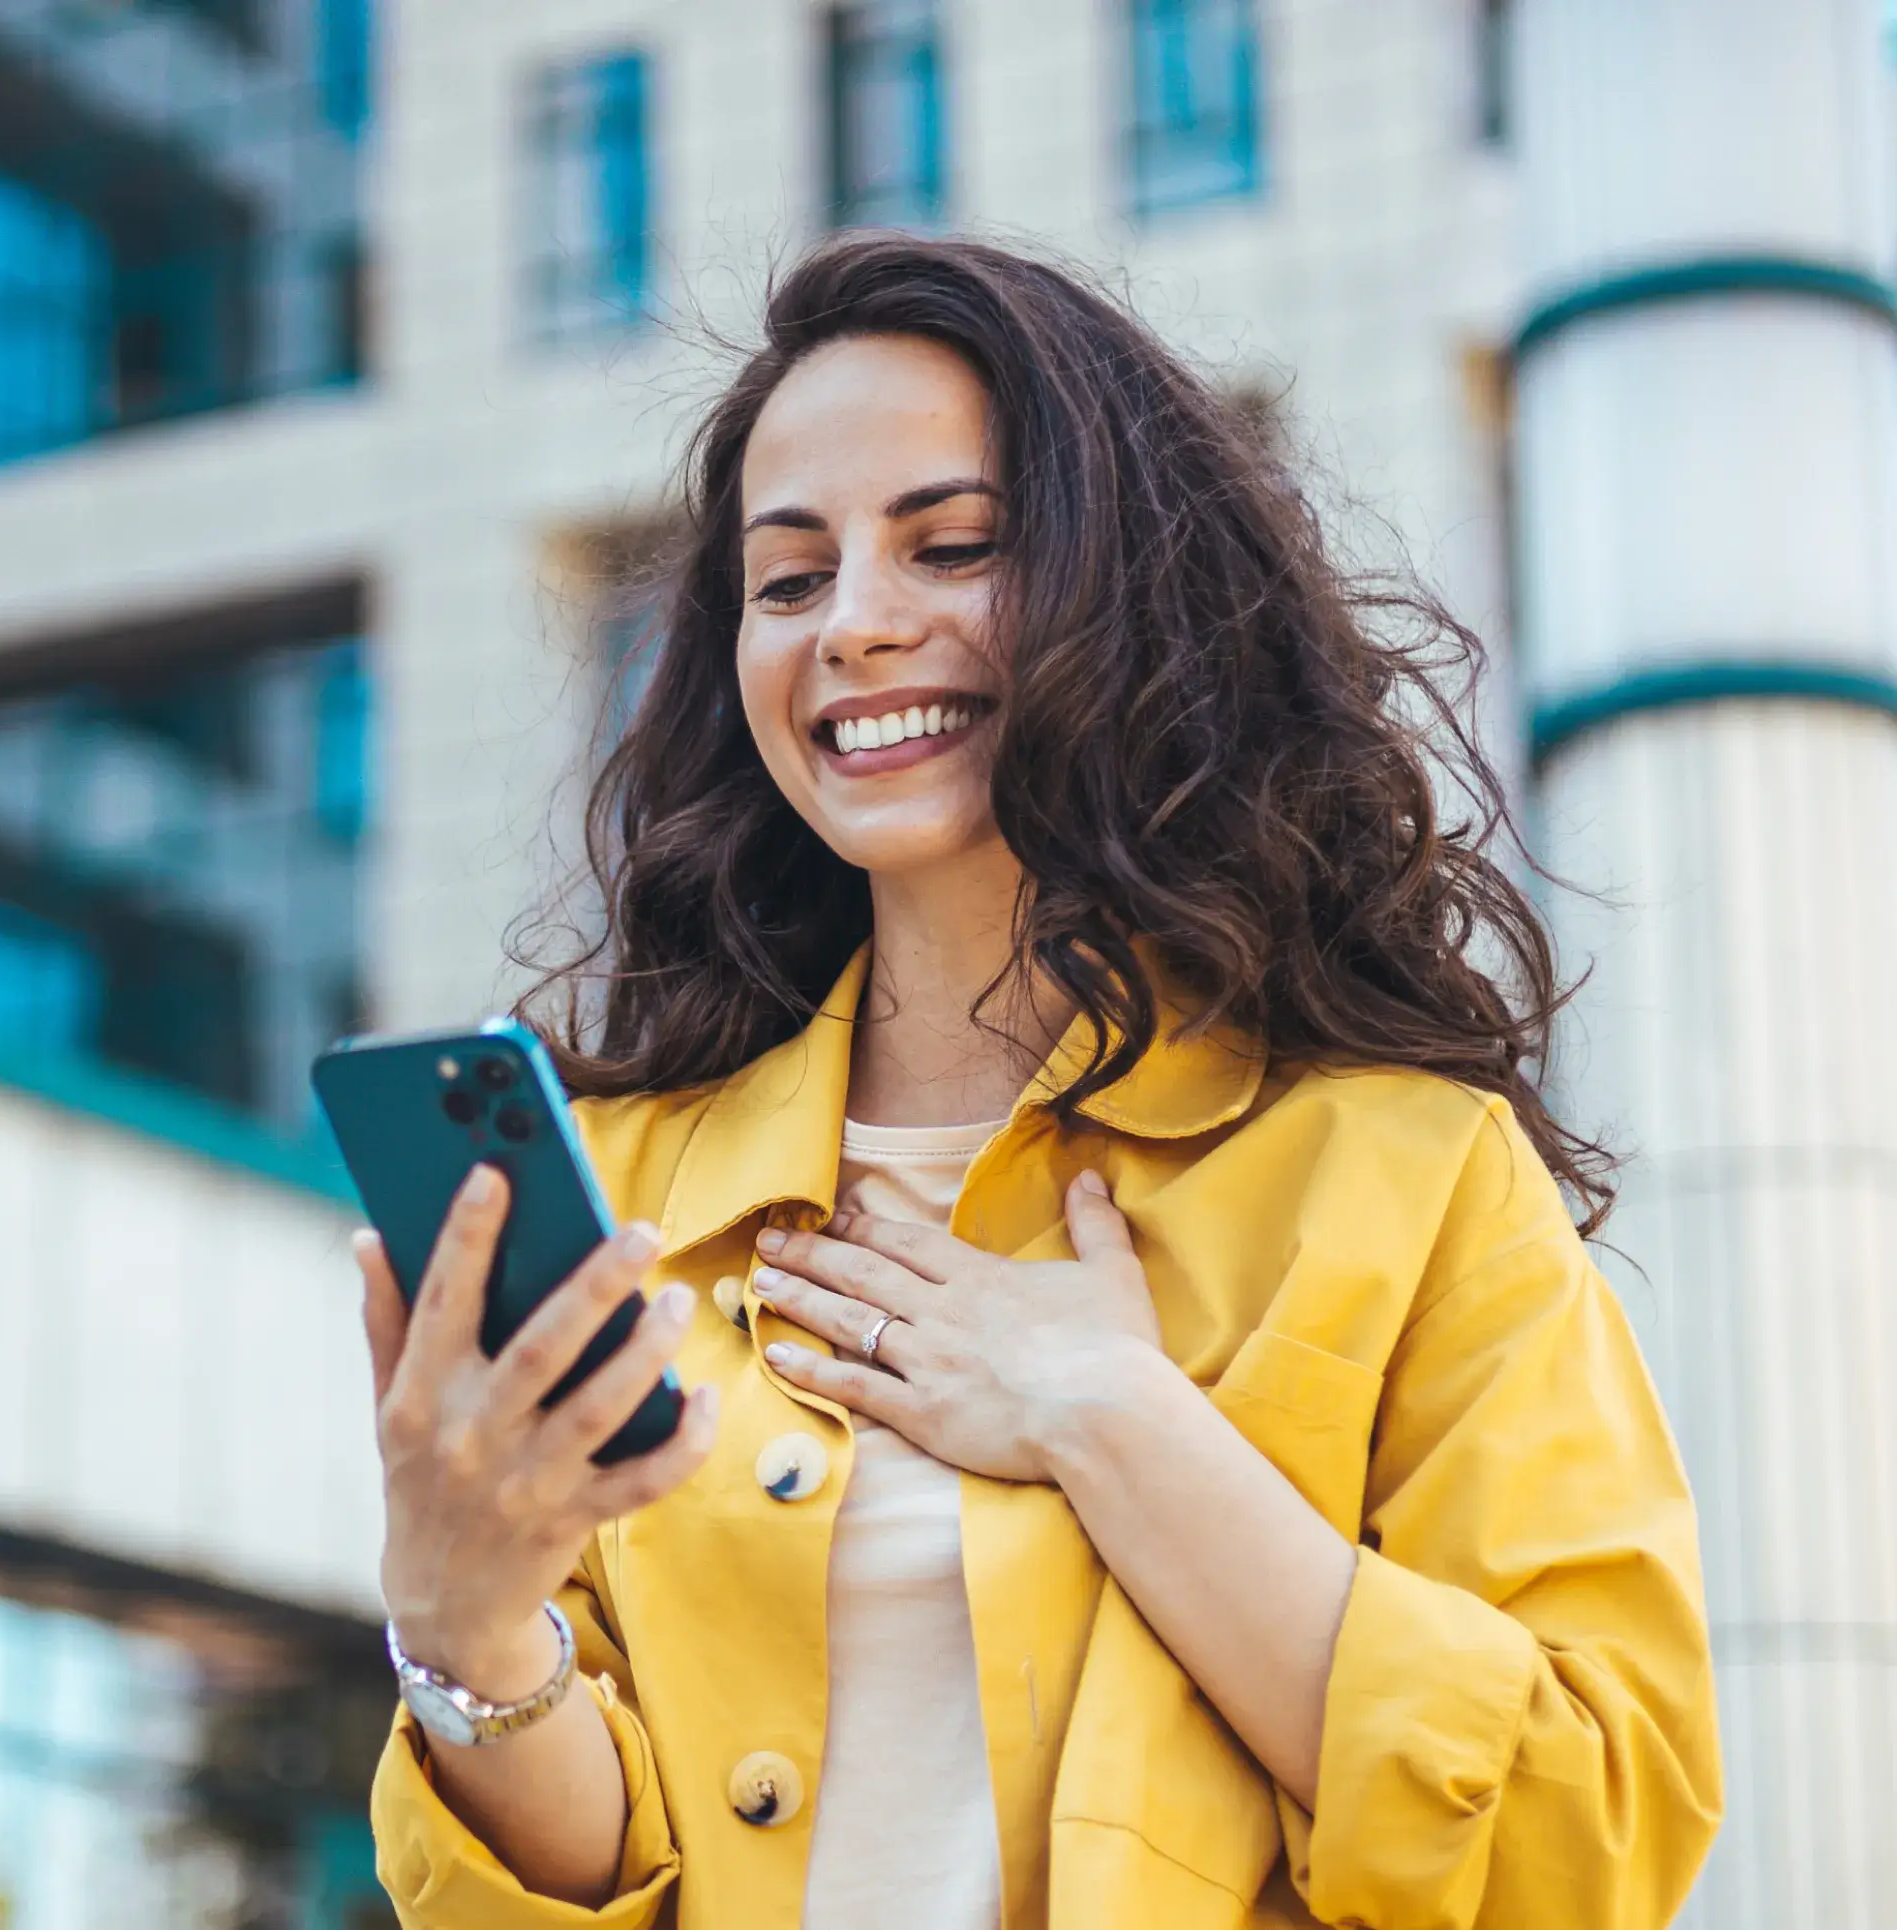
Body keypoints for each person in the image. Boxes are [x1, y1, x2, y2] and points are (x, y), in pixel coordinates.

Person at [350, 234, 1720, 1930]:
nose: (854, 624)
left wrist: (1119, 1420)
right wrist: (470, 1633)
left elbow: (1588, 1840)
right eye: (788, 580)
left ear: (1123, 591)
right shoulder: (629, 1192)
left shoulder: (1409, 1172)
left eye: (957, 545)